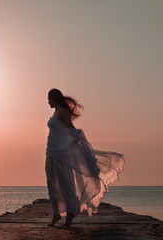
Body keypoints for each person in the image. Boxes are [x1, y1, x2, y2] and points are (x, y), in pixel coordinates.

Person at [46, 88, 125, 227]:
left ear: (54, 98)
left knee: (65, 184)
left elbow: (70, 128)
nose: (48, 102)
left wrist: (79, 144)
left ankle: (70, 212)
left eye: (49, 99)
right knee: (52, 183)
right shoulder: (55, 112)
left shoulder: (63, 112)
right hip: (51, 152)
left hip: (61, 153)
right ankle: (56, 212)